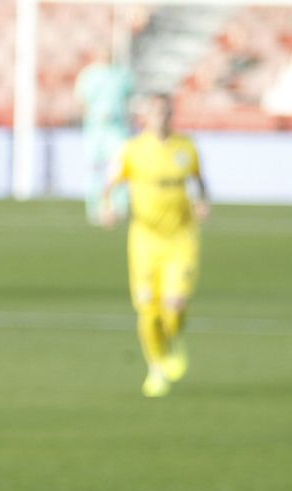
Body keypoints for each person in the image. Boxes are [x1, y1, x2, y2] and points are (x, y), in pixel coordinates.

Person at [101, 94, 209, 398]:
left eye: (165, 112)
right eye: (154, 112)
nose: (160, 117)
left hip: (181, 238)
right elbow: (109, 184)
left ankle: (173, 337)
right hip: (145, 240)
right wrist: (108, 208)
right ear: (145, 117)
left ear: (171, 115)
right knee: (148, 309)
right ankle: (156, 367)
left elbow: (199, 181)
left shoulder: (186, 148)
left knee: (174, 306)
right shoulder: (133, 151)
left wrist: (202, 202)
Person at [74, 50, 134, 225]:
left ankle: (119, 205)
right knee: (95, 168)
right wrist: (92, 115)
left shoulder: (122, 75)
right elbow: (80, 101)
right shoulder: (88, 75)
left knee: (120, 167)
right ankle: (95, 206)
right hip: (95, 129)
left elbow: (129, 98)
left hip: (117, 128)